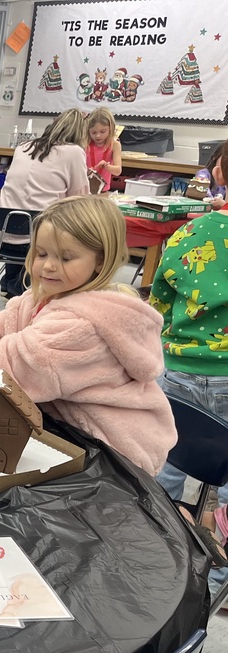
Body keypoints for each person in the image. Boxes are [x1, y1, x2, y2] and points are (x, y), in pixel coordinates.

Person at [0, 195, 175, 477]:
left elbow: (8, 368)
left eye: (66, 257)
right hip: (72, 432)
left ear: (100, 260)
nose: (48, 266)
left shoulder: (79, 326)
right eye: (42, 253)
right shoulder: (46, 297)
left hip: (112, 454)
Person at [151, 144, 228, 592]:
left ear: (218, 170)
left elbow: (159, 302)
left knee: (166, 461)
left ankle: (160, 547)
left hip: (176, 368)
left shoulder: (190, 233)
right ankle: (218, 577)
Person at [0, 108, 90, 298]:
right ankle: (22, 289)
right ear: (81, 133)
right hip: (33, 237)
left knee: (25, 225)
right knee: (54, 230)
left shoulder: (24, 146)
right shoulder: (74, 152)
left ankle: (10, 284)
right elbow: (80, 198)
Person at [85, 106, 122, 192]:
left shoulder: (115, 145)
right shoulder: (85, 144)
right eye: (93, 132)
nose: (98, 136)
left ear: (111, 129)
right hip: (85, 189)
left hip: (103, 190)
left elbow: (118, 171)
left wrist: (106, 166)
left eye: (102, 131)